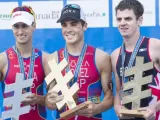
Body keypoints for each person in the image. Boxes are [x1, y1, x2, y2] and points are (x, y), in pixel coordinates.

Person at [45, 4, 113, 120]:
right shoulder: (52, 59)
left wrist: (97, 108)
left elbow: (110, 97)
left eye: (74, 24)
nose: (68, 29)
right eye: (64, 25)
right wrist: (50, 100)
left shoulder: (101, 57)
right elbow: (50, 103)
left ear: (84, 26)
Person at [111, 0, 160, 120]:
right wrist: (117, 106)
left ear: (139, 20)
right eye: (119, 19)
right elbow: (118, 90)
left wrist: (156, 107)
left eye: (128, 19)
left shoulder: (154, 46)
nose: (122, 23)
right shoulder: (115, 55)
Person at [0, 6, 50, 120]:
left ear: (34, 26)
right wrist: (13, 100)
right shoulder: (2, 59)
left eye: (25, 26)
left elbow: (56, 102)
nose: (20, 31)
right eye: (16, 26)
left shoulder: (45, 59)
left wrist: (38, 99)